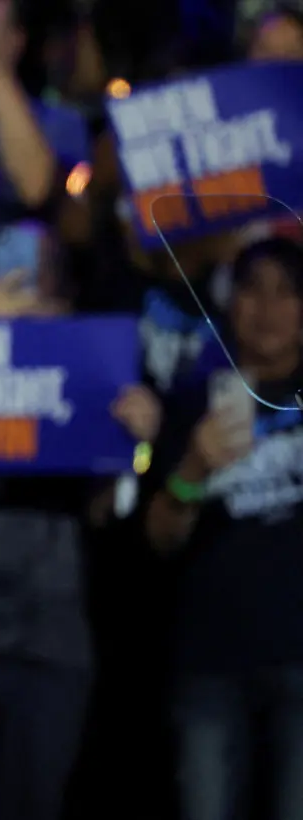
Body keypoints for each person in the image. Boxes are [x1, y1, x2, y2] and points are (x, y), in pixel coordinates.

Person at [145, 237, 303, 820]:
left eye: (288, 293)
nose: (268, 307)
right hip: (210, 665)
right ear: (228, 303)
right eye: (253, 289)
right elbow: (160, 538)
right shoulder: (190, 402)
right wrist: (191, 471)